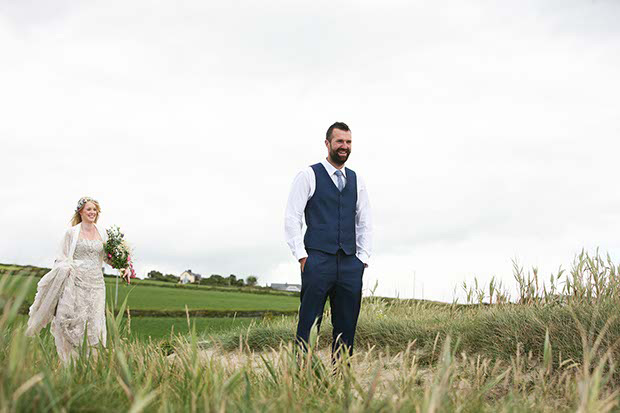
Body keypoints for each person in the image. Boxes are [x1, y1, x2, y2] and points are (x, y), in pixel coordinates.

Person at [285, 122, 372, 356]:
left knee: (346, 327)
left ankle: (340, 379)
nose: (344, 146)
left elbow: (364, 222)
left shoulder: (357, 180)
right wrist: (303, 257)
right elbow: (292, 218)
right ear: (328, 144)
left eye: (348, 142)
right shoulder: (308, 175)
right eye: (339, 141)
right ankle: (302, 378)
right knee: (309, 324)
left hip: (349, 264)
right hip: (317, 261)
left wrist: (361, 259)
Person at [26, 197, 131, 363]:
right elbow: (61, 257)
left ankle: (93, 361)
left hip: (96, 284)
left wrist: (123, 267)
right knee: (70, 321)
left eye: (95, 210)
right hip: (75, 282)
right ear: (81, 211)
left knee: (94, 322)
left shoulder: (103, 233)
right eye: (89, 209)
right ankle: (72, 361)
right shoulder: (71, 233)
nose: (92, 212)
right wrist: (65, 268)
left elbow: (109, 257)